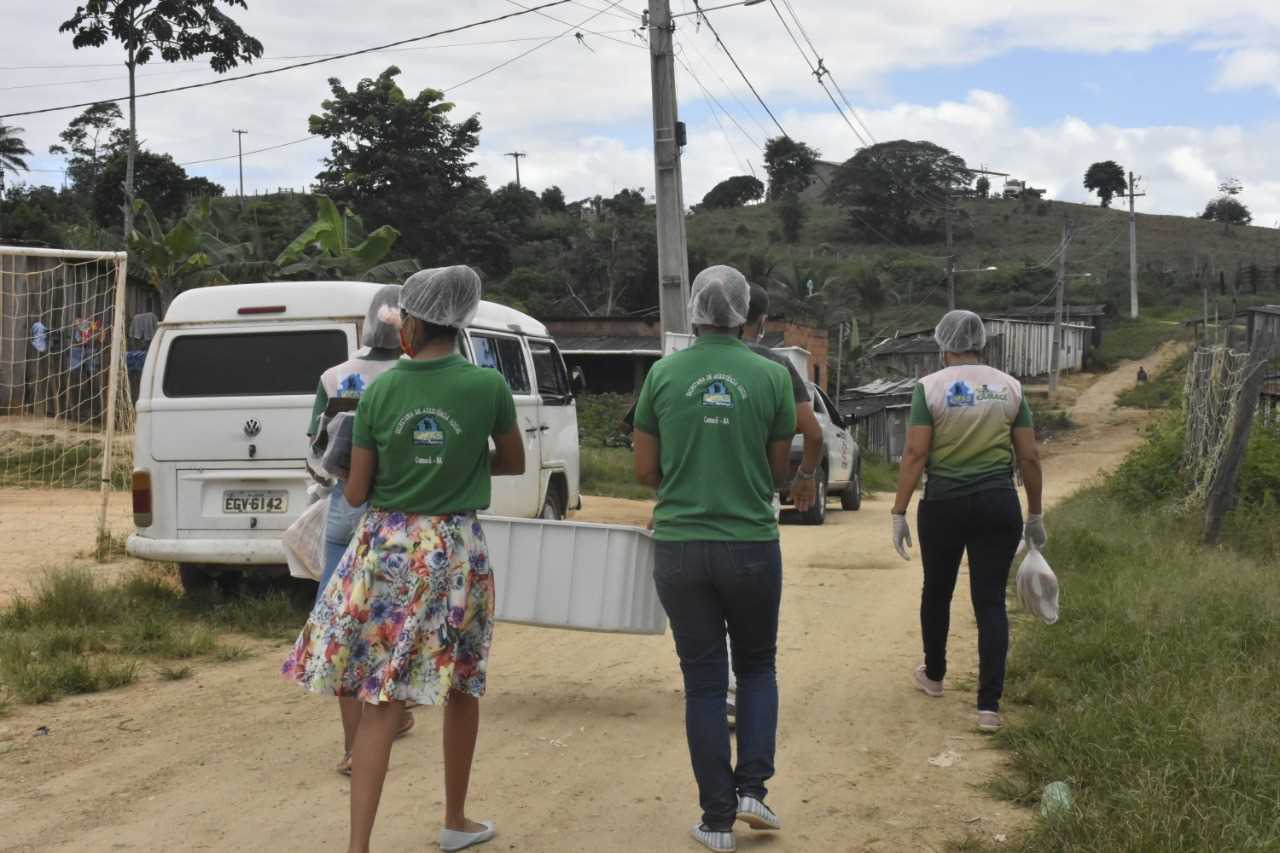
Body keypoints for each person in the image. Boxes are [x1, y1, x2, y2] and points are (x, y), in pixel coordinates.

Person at [282, 266, 525, 853]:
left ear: (409, 321)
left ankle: (358, 846)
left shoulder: (383, 389)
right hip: (457, 551)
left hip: (388, 549)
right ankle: (456, 820)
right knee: (461, 687)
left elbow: (358, 492)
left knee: (381, 700)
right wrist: (460, 465)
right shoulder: (488, 387)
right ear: (462, 319)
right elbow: (512, 461)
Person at [633, 265, 796, 853]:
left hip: (679, 546)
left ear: (696, 312)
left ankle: (717, 819)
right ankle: (753, 788)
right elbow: (779, 472)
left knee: (703, 682)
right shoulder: (772, 375)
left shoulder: (662, 375)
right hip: (752, 543)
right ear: (746, 314)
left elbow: (646, 470)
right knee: (758, 666)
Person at [889, 309, 1045, 733]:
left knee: (937, 590)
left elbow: (916, 453)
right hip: (998, 503)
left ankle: (935, 675)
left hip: (944, 505)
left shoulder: (930, 387)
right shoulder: (1010, 387)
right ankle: (988, 707)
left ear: (944, 346)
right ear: (980, 343)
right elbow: (1029, 456)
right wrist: (1035, 513)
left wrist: (899, 510)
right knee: (990, 599)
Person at [305, 283, 413, 776]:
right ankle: (393, 710)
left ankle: (354, 748)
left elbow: (315, 450)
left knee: (346, 630)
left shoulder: (334, 376)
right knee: (396, 627)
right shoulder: (417, 377)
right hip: (399, 515)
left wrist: (336, 483)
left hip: (344, 511)